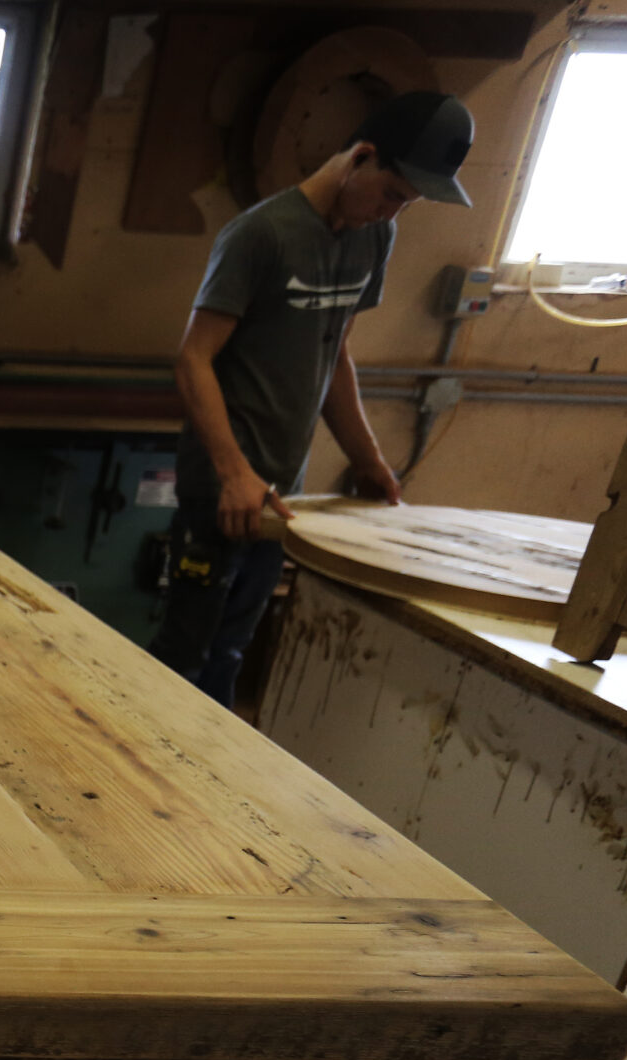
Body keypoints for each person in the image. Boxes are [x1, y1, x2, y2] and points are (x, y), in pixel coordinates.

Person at [148, 91, 476, 706]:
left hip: (284, 495)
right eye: (391, 193)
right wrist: (233, 474)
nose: (390, 212)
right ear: (361, 157)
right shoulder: (262, 236)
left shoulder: (372, 240)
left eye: (405, 203)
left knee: (230, 654)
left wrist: (368, 458)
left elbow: (336, 356)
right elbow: (194, 360)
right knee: (184, 657)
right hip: (223, 490)